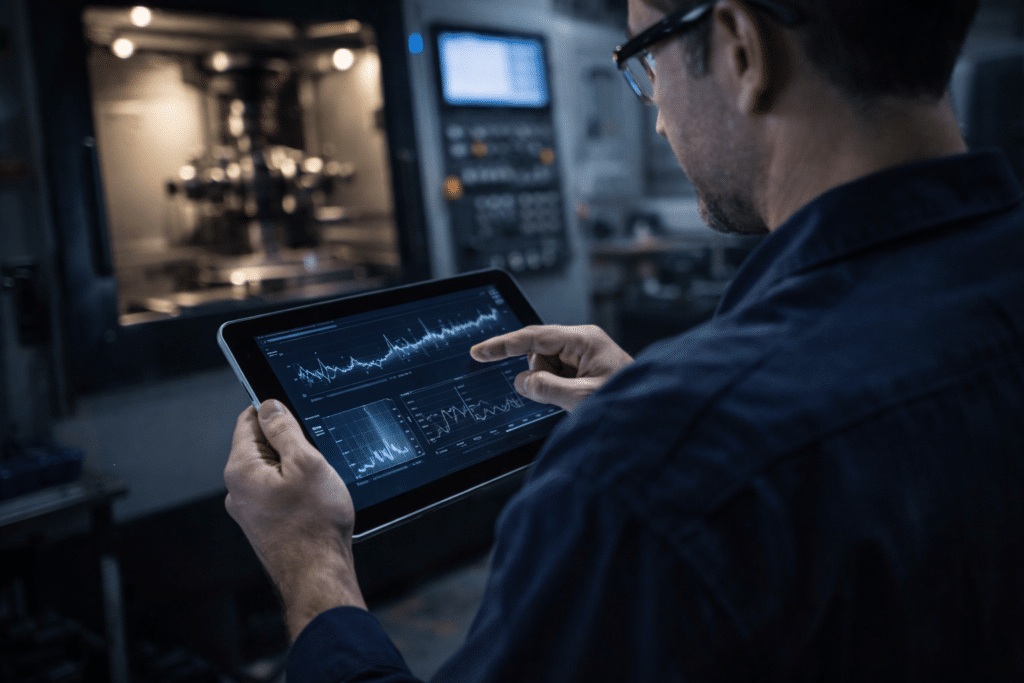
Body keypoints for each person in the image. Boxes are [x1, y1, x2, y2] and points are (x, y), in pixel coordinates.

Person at [224, 0, 1024, 679]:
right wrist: (688, 410)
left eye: (645, 60)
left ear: (743, 49)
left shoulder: (652, 469)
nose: (657, 108)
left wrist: (312, 561)